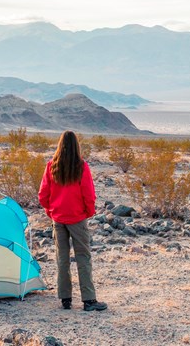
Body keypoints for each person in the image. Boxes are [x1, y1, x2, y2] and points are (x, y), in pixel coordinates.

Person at [38, 130, 108, 311]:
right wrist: (88, 212)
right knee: (83, 257)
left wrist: (50, 211)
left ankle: (65, 299)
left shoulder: (51, 166)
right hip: (77, 218)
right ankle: (89, 300)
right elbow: (89, 194)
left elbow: (43, 195)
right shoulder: (82, 167)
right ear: (77, 146)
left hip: (58, 218)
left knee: (62, 259)